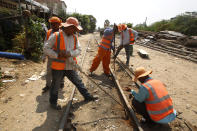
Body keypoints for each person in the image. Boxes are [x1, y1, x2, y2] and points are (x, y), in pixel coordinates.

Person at [44, 17, 97, 110]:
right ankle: (53, 103)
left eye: (76, 29)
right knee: (55, 86)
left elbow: (79, 50)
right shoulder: (56, 36)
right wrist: (56, 55)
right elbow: (46, 48)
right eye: (74, 28)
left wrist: (70, 53)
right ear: (68, 27)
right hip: (58, 67)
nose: (75, 30)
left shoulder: (74, 37)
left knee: (78, 81)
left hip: (70, 66)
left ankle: (87, 96)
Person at [42, 16, 65, 93]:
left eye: (55, 24)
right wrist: (44, 55)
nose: (54, 25)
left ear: (59, 24)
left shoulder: (63, 32)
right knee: (49, 71)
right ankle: (48, 85)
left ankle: (61, 83)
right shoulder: (48, 32)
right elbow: (45, 44)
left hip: (60, 56)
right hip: (51, 55)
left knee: (61, 70)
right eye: (52, 24)